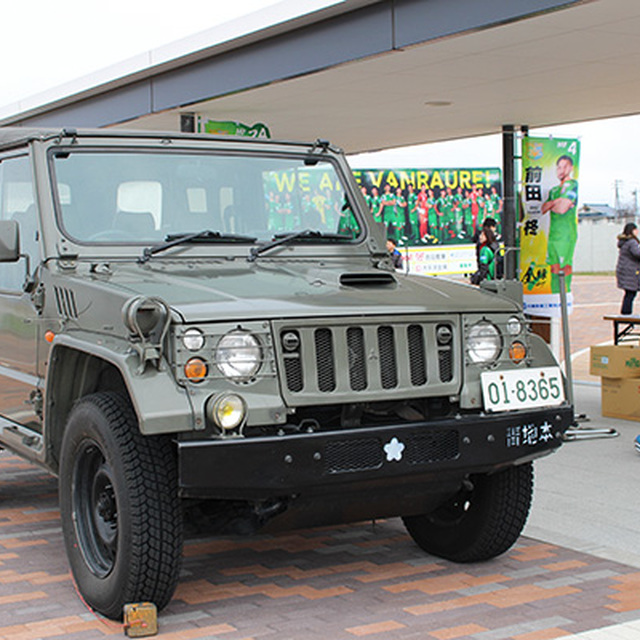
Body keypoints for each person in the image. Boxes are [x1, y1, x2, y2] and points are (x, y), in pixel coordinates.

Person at [541, 155, 579, 293]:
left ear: (570, 168)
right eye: (559, 167)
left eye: (564, 166)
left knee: (565, 268)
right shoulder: (554, 190)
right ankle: (555, 296)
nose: (561, 170)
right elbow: (544, 208)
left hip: (566, 236)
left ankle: (565, 296)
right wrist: (555, 202)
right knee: (554, 268)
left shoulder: (573, 185)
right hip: (553, 235)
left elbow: (561, 208)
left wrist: (554, 204)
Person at [615, 222, 640, 315]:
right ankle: (626, 314)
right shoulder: (632, 242)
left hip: (625, 271)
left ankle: (625, 313)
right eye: (636, 229)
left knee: (629, 294)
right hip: (630, 272)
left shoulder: (624, 242)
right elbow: (637, 253)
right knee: (630, 294)